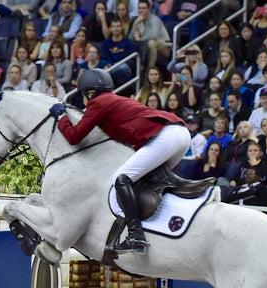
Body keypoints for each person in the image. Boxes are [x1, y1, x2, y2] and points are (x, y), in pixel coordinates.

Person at [53, 69, 212, 255]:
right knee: (147, 181)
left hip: (166, 136)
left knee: (121, 178)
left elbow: (74, 136)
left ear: (89, 92)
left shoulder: (98, 102)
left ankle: (136, 236)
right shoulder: (113, 100)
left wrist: (61, 117)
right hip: (179, 135)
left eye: (83, 95)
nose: (84, 101)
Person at [129, 0, 170, 69]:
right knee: (133, 46)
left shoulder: (154, 19)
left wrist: (140, 39)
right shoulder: (138, 20)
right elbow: (130, 38)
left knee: (151, 43)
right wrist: (135, 24)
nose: (141, 10)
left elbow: (154, 36)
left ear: (149, 9)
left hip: (164, 47)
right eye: (139, 8)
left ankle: (150, 70)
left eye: (143, 8)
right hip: (145, 47)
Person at [101, 17, 136, 86]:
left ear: (122, 27)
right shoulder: (106, 43)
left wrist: (114, 66)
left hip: (124, 68)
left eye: (118, 26)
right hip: (110, 66)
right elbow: (105, 58)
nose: (116, 28)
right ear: (110, 29)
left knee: (123, 67)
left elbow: (131, 60)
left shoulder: (128, 42)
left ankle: (106, 74)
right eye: (113, 26)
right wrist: (110, 65)